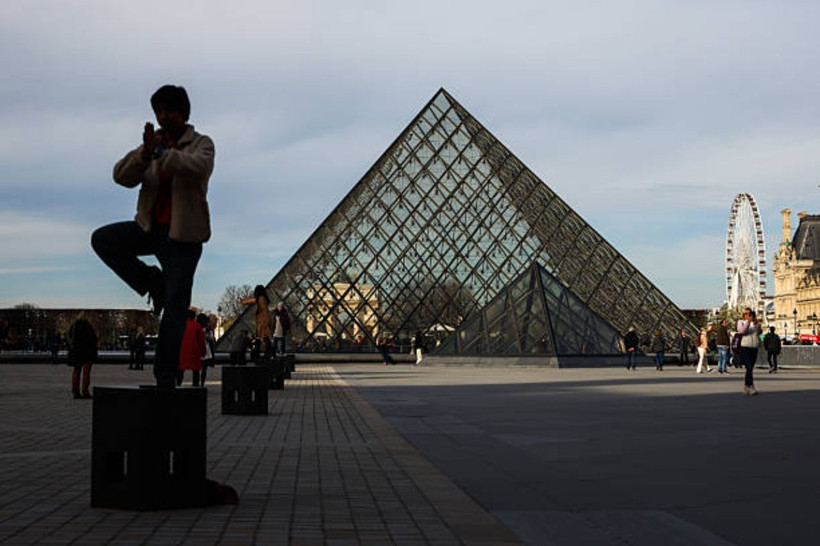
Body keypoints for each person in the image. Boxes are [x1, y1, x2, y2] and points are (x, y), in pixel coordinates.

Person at [91, 85, 214, 388]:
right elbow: (120, 175)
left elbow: (196, 166)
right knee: (103, 240)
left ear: (183, 113)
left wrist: (161, 153)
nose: (162, 116)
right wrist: (146, 154)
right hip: (151, 229)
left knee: (174, 306)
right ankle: (152, 282)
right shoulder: (152, 145)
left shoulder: (201, 144)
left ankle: (166, 374)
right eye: (158, 110)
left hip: (184, 237)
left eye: (168, 110)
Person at [68, 312, 97, 399]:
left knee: (76, 372)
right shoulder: (88, 326)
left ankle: (75, 391)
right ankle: (85, 391)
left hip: (76, 352)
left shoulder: (73, 326)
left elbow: (70, 337)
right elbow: (93, 339)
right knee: (86, 373)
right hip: (87, 352)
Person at [240, 285, 272, 362]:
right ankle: (264, 354)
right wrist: (244, 302)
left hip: (262, 323)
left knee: (262, 339)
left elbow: (264, 312)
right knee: (263, 339)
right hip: (262, 323)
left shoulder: (261, 299)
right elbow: (252, 300)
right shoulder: (261, 299)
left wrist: (263, 325)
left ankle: (259, 355)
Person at [178, 309, 205, 387]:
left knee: (180, 370)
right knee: (196, 372)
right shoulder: (197, 326)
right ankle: (195, 387)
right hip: (194, 352)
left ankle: (178, 385)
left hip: (182, 351)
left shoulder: (181, 325)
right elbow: (201, 341)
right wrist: (203, 352)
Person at [737, 308, 761, 395]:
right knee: (749, 367)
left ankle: (747, 385)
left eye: (749, 314)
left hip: (754, 346)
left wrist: (756, 324)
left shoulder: (755, 323)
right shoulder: (741, 322)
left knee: (750, 367)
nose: (748, 315)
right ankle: (749, 386)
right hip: (745, 346)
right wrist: (747, 322)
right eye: (746, 314)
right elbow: (742, 331)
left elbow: (759, 333)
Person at [199, 313, 215, 384]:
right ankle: (202, 382)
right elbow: (211, 339)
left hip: (198, 349)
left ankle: (196, 382)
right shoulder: (208, 329)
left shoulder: (197, 327)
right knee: (204, 368)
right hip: (206, 350)